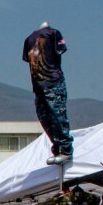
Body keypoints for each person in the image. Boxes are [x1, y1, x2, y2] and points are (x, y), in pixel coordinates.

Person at [23, 22, 71, 164]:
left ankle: (66, 149)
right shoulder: (28, 40)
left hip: (53, 82)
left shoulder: (54, 33)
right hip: (38, 86)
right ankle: (57, 148)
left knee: (57, 115)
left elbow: (61, 48)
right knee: (45, 118)